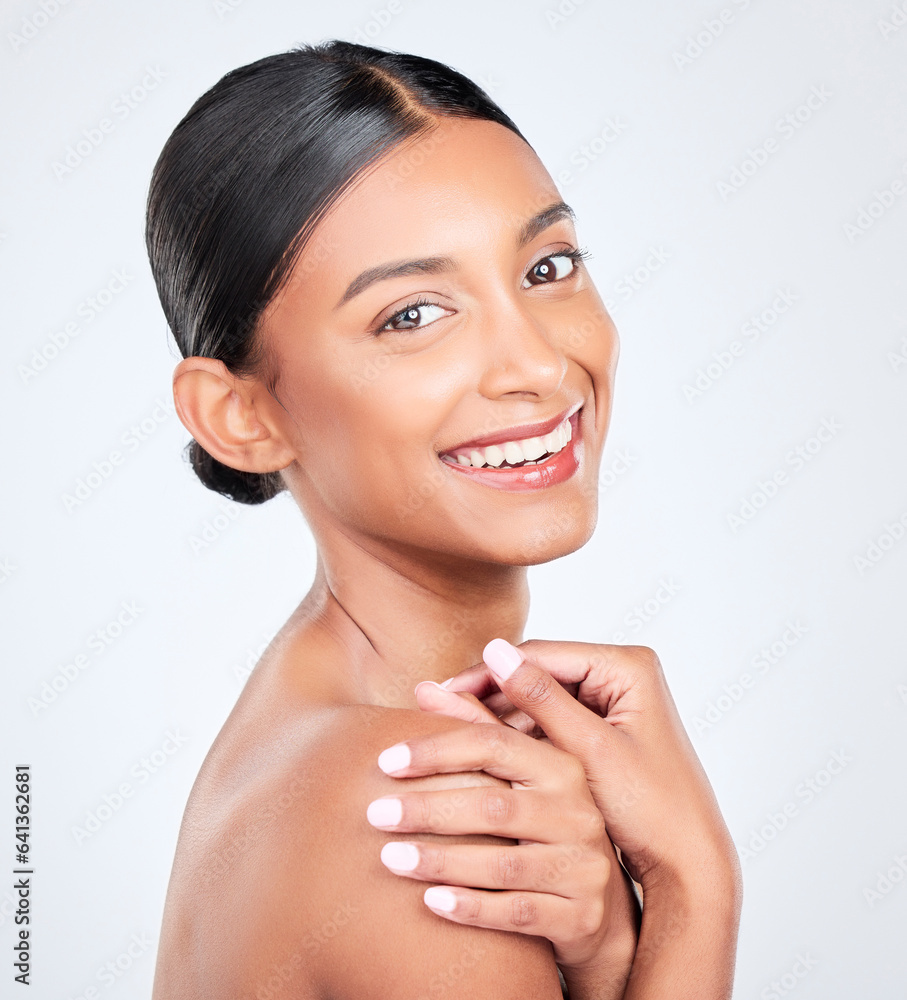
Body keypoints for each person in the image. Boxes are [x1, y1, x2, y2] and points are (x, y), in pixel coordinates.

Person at [145, 40, 742, 999]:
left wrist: (610, 956)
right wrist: (692, 886)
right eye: (414, 314)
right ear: (239, 416)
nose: (539, 366)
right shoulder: (412, 811)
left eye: (548, 268)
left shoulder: (332, 736)